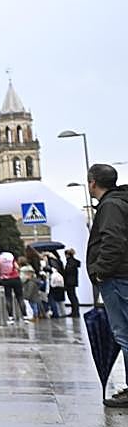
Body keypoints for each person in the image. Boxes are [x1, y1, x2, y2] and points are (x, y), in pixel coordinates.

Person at [86, 163, 128, 407]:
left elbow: (113, 241)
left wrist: (101, 272)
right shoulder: (120, 201)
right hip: (121, 276)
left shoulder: (110, 206)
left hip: (117, 278)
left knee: (123, 334)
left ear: (93, 182)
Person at [0, 250, 24, 320]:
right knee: (20, 297)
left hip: (6, 280)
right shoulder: (10, 257)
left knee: (8, 298)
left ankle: (10, 316)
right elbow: (17, 267)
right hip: (16, 278)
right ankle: (25, 315)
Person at [20, 255, 42, 321]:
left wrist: (26, 296)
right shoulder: (30, 268)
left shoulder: (23, 270)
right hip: (35, 290)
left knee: (32, 304)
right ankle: (36, 315)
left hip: (30, 289)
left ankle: (35, 316)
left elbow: (22, 280)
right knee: (34, 303)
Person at [63, 248, 82, 317]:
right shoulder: (74, 262)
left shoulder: (70, 262)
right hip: (73, 282)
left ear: (67, 255)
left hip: (69, 282)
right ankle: (75, 311)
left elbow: (67, 272)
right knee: (73, 296)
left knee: (72, 297)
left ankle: (75, 312)